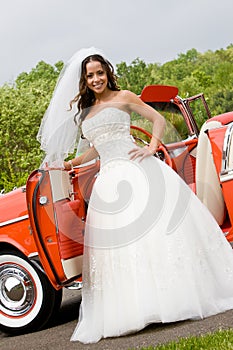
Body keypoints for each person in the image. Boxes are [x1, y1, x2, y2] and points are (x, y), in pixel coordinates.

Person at [37, 48, 233, 344]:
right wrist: (70, 164)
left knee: (161, 238)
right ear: (84, 80)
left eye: (100, 73)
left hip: (140, 170)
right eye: (90, 76)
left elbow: (158, 120)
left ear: (107, 73)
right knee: (121, 248)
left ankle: (177, 300)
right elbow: (95, 148)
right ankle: (139, 308)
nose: (96, 79)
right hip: (110, 183)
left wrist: (152, 147)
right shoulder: (86, 113)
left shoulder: (124, 97)